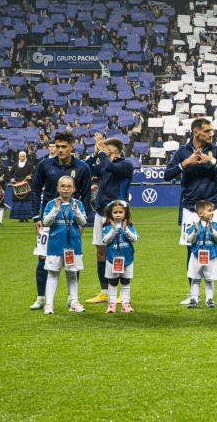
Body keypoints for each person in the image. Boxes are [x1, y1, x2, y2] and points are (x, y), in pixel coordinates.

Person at [165, 118, 217, 306]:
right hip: (190, 208)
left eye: (211, 130)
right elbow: (167, 175)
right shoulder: (182, 152)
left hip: (214, 207)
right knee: (192, 249)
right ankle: (193, 294)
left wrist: (211, 161)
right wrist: (185, 164)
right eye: (207, 131)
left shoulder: (216, 150)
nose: (210, 134)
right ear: (196, 132)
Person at [29, 131, 92, 310]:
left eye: (64, 146)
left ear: (72, 147)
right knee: (42, 258)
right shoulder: (45, 165)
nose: (60, 150)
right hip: (48, 218)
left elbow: (86, 196)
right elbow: (35, 190)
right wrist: (36, 217)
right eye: (57, 146)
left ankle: (72, 299)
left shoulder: (82, 168)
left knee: (73, 259)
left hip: (71, 221)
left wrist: (82, 222)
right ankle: (41, 298)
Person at [84, 134, 135, 305]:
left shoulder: (126, 165)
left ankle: (122, 292)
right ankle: (104, 292)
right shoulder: (105, 164)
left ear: (113, 150)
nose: (103, 151)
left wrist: (101, 153)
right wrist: (94, 153)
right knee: (100, 252)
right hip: (100, 213)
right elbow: (88, 168)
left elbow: (107, 165)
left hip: (118, 213)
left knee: (120, 251)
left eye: (106, 148)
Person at [41, 176, 87, 314]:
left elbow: (83, 222)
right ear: (58, 188)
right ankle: (49, 305)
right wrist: (55, 209)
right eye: (63, 186)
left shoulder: (77, 204)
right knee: (53, 274)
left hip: (73, 246)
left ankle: (74, 301)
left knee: (72, 274)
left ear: (74, 189)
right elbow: (46, 223)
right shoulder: (51, 204)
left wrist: (76, 211)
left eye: (69, 186)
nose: (66, 189)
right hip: (55, 245)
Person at [185, 200, 217, 308]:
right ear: (200, 213)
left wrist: (212, 231)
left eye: (213, 210)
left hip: (210, 256)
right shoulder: (194, 226)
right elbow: (190, 241)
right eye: (209, 210)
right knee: (195, 278)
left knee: (209, 279)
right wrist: (194, 232)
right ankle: (194, 299)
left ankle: (209, 299)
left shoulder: (215, 225)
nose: (212, 213)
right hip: (196, 256)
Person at [101, 200, 139, 313]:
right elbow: (105, 241)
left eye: (120, 212)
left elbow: (135, 239)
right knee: (112, 282)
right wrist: (113, 230)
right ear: (110, 214)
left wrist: (125, 229)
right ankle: (111, 304)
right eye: (115, 212)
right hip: (112, 259)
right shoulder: (107, 227)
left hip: (127, 258)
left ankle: (125, 303)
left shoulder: (130, 226)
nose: (118, 214)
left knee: (125, 281)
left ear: (125, 213)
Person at [9, 151, 36, 223]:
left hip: (27, 184)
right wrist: (12, 178)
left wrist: (30, 177)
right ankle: (20, 217)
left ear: (25, 157)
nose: (22, 157)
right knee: (18, 200)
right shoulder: (15, 165)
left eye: (23, 156)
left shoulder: (29, 165)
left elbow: (34, 173)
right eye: (20, 156)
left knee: (26, 200)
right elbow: (10, 174)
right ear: (18, 157)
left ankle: (26, 217)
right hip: (17, 184)